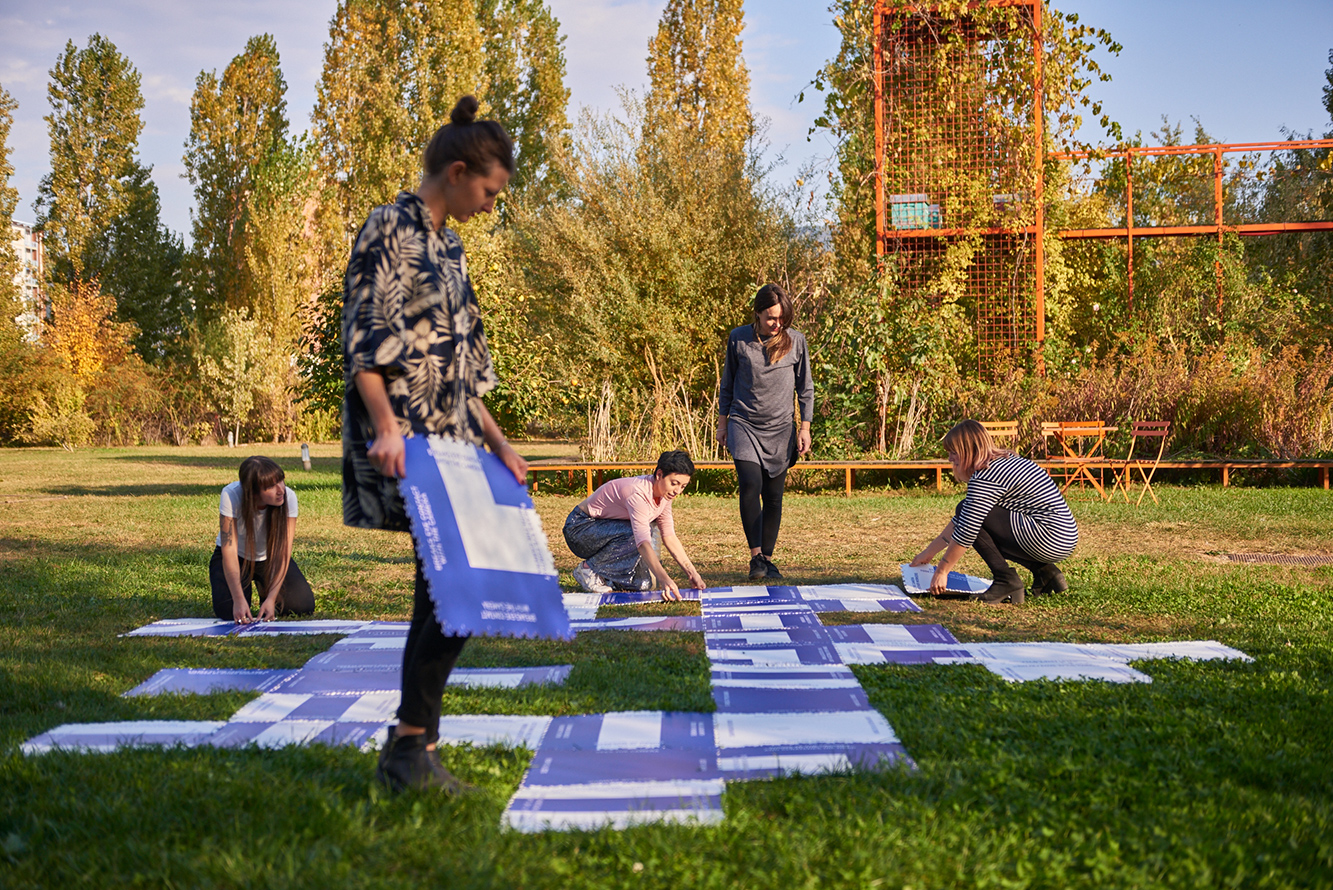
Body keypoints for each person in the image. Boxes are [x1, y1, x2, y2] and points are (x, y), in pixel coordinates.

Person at [342, 95, 527, 794]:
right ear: (456, 172)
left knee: (441, 593)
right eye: (488, 190)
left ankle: (412, 748)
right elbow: (363, 340)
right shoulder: (387, 228)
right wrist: (386, 426)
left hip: (456, 440)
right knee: (459, 589)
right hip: (407, 439)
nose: (489, 204)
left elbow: (465, 364)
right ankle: (409, 745)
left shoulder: (449, 246)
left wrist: (501, 443)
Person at [910, 419, 1078, 605]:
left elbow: (967, 530)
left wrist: (942, 571)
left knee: (972, 517)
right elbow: (964, 516)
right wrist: (928, 553)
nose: (950, 459)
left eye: (953, 453)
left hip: (1047, 537)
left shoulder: (986, 475)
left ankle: (1006, 580)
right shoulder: (1006, 459)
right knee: (968, 509)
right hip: (1064, 537)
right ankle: (1047, 574)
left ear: (967, 451)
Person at [716, 283, 814, 581]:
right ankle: (756, 556)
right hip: (744, 423)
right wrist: (722, 424)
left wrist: (805, 427)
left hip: (781, 428)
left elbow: (805, 388)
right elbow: (728, 385)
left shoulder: (796, 341)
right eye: (771, 317)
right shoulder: (739, 339)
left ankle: (768, 559)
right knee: (750, 484)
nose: (777, 323)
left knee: (773, 495)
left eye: (782, 318)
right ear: (757, 313)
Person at [563, 450, 706, 601]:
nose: (677, 491)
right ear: (659, 475)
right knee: (638, 532)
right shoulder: (637, 494)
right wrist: (665, 579)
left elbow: (669, 536)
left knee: (643, 585)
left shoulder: (665, 496)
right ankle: (588, 569)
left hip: (608, 530)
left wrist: (692, 573)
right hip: (580, 529)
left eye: (683, 486)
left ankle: (607, 576)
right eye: (674, 484)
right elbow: (642, 543)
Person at [210, 456, 315, 622]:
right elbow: (228, 550)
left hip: (269, 558)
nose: (281, 489)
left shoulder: (288, 497)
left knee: (302, 606)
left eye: (281, 481)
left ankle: (264, 588)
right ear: (253, 492)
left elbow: (283, 552)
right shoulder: (231, 495)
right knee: (229, 612)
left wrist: (272, 598)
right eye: (271, 486)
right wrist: (238, 599)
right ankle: (244, 592)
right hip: (237, 558)